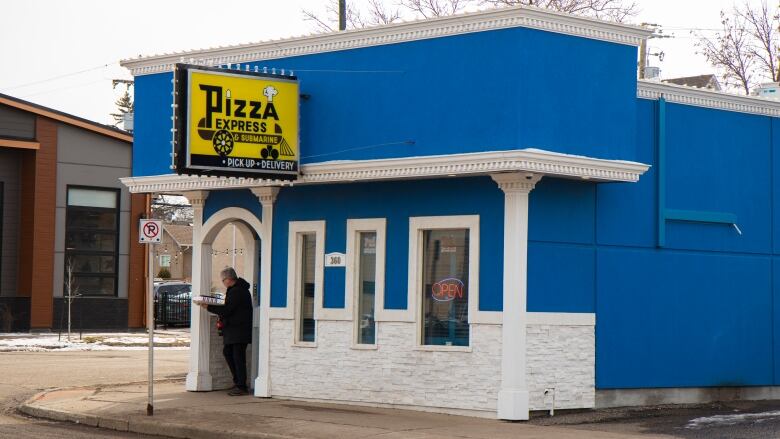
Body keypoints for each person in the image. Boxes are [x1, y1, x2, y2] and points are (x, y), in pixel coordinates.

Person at [198, 267, 253, 396]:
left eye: (223, 280)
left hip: (238, 330)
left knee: (238, 357)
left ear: (228, 279)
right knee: (229, 352)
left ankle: (241, 386)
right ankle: (238, 382)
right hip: (237, 329)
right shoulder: (238, 290)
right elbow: (229, 307)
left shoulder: (237, 291)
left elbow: (227, 310)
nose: (223, 282)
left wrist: (208, 306)